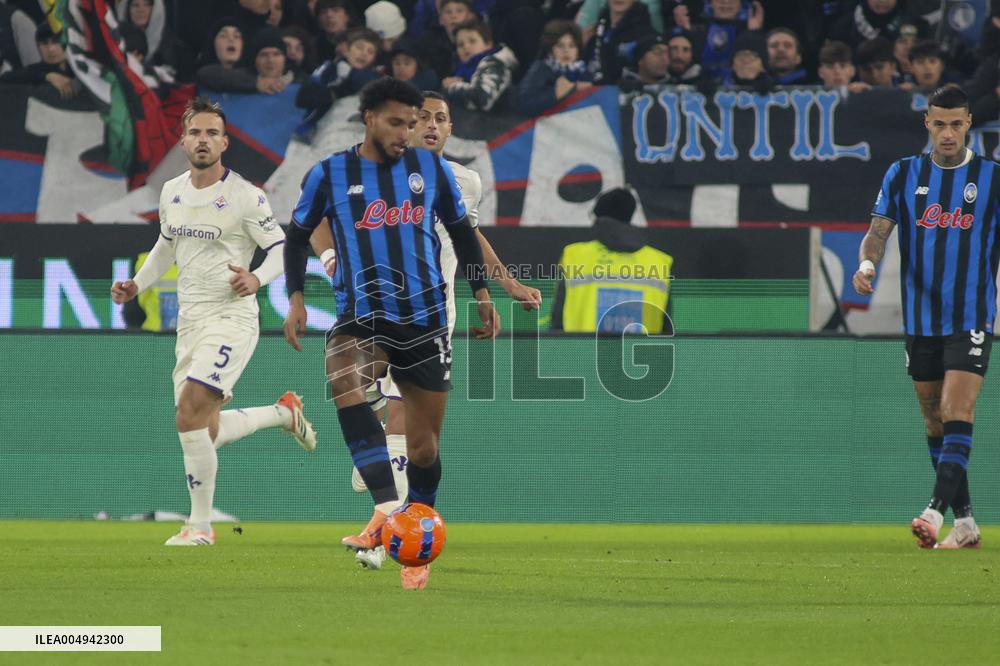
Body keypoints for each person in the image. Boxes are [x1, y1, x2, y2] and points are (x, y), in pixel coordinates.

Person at [308, 90, 542, 570]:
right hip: (373, 310)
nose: (433, 126)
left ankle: (392, 528)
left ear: (450, 129)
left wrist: (504, 284)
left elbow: (470, 236)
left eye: (442, 119)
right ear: (405, 127)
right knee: (363, 398)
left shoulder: (464, 180)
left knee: (407, 430)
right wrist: (331, 259)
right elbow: (318, 219)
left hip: (429, 319)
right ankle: (395, 511)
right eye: (424, 119)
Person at [111, 98, 318, 546]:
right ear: (183, 139)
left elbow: (284, 248)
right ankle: (284, 413)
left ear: (224, 142)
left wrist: (257, 278)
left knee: (189, 414)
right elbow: (166, 245)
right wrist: (137, 283)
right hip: (191, 322)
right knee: (205, 430)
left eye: (211, 133)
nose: (203, 140)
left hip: (232, 318)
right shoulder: (172, 191)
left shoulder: (246, 196)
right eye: (195, 132)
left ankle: (200, 527)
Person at [853, 86, 996, 550]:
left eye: (957, 123)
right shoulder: (902, 174)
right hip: (920, 319)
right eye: (940, 124)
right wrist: (868, 264)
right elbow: (877, 232)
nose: (948, 133)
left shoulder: (993, 179)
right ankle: (968, 523)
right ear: (927, 125)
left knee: (958, 410)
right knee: (935, 420)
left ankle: (932, 513)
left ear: (969, 123)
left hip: (971, 314)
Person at [551, 187, 673, 333]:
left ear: (598, 218)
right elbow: (666, 328)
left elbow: (557, 320)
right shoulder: (659, 261)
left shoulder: (575, 256)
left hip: (583, 354)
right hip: (639, 355)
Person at [516, 19, 592, 116]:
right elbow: (524, 105)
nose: (566, 51)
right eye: (560, 46)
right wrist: (555, 93)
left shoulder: (583, 71)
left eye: (572, 46)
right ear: (550, 49)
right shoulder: (541, 69)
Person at [442, 19, 518, 111]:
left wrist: (452, 86)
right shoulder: (460, 70)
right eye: (460, 45)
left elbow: (482, 99)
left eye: (472, 41)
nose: (466, 46)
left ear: (488, 44)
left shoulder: (494, 64)